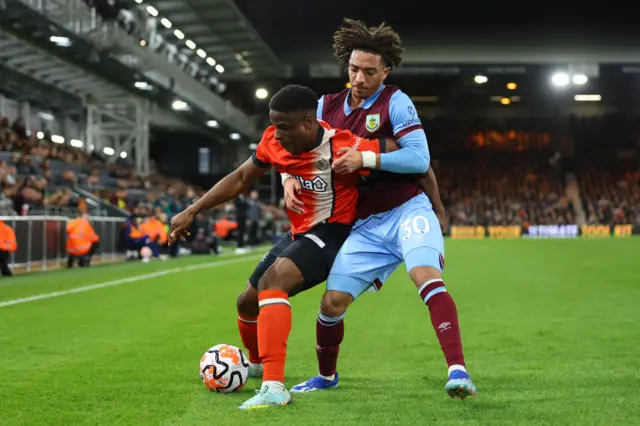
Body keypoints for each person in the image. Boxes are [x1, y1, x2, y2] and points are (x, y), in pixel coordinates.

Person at [169, 84, 425, 410]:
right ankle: (258, 363)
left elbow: (401, 150)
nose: (277, 134)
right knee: (246, 302)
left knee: (273, 282)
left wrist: (387, 174)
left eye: (284, 127)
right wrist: (193, 210)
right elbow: (241, 178)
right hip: (298, 232)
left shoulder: (343, 146)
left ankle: (274, 386)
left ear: (307, 122)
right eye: (274, 125)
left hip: (333, 233)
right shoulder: (273, 141)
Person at [282, 19, 475, 399]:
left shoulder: (396, 102)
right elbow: (295, 148)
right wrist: (289, 177)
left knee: (425, 276)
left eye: (370, 71)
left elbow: (420, 159)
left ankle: (458, 372)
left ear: (385, 71)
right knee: (332, 302)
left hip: (407, 211)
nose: (360, 78)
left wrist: (366, 159)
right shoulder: (325, 106)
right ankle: (326, 376)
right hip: (364, 226)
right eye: (354, 69)